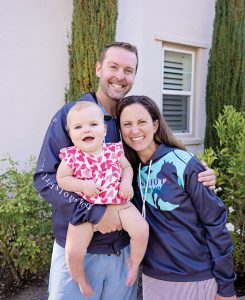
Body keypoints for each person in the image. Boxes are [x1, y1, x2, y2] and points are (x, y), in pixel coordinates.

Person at [34, 42, 216, 300]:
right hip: (79, 249)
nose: (120, 76)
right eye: (113, 67)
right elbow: (45, 178)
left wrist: (196, 173)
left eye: (128, 70)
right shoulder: (72, 117)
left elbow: (154, 160)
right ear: (99, 69)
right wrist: (95, 213)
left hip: (123, 251)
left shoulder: (130, 119)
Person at [116, 95, 237, 300]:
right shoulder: (129, 173)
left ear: (155, 125)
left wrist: (226, 286)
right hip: (153, 276)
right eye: (127, 124)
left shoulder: (184, 163)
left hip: (192, 275)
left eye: (141, 122)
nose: (134, 130)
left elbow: (215, 223)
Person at [56, 101, 149, 296]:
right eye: (78, 127)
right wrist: (82, 185)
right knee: (73, 252)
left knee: (141, 230)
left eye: (93, 124)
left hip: (119, 202)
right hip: (87, 209)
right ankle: (80, 278)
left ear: (104, 129)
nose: (86, 130)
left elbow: (126, 168)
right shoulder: (72, 156)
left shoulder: (113, 151)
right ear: (70, 134)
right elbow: (62, 179)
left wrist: (125, 184)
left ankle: (133, 264)